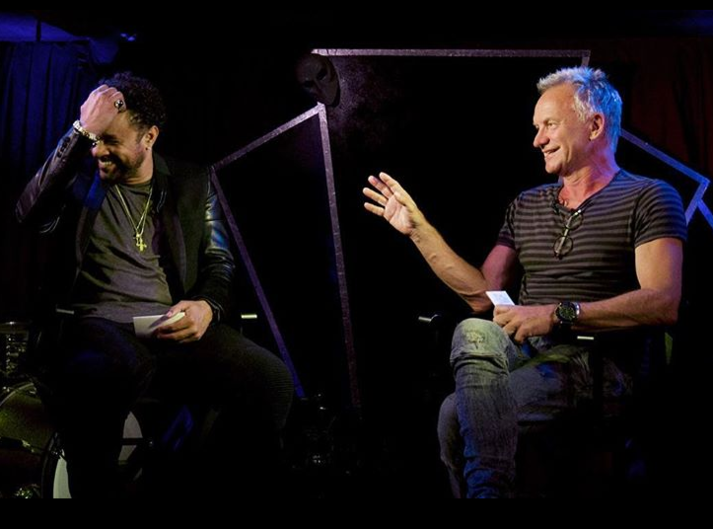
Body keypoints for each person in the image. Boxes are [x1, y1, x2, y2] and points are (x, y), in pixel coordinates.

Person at [363, 67, 686, 498]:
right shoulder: (527, 203)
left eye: (549, 125)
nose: (538, 140)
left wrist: (555, 315)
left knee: (454, 416)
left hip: (599, 362)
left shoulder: (649, 196)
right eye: (536, 128)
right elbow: (482, 295)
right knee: (473, 329)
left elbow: (662, 302)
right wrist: (419, 230)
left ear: (594, 125)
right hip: (528, 351)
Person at [16, 72, 294, 498]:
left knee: (271, 379)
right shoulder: (76, 177)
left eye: (110, 140)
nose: (98, 150)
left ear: (149, 137)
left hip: (169, 325)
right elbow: (28, 213)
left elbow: (220, 262)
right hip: (94, 326)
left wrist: (206, 306)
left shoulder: (192, 182)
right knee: (115, 370)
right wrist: (79, 131)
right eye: (94, 138)